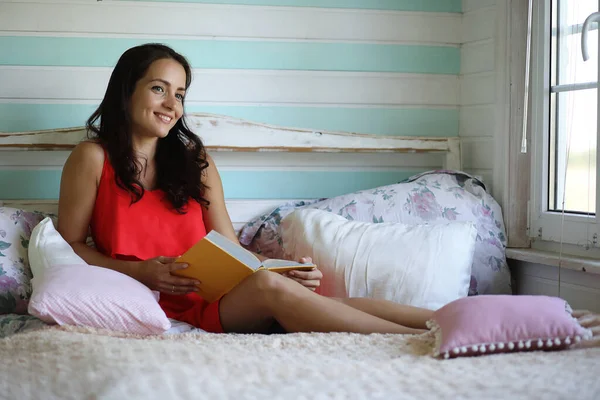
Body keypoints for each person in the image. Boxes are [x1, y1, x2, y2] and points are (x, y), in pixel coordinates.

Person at [57, 43, 433, 335]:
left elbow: (229, 248)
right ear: (127, 92)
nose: (172, 104)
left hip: (221, 297)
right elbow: (69, 246)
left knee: (303, 292)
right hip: (155, 304)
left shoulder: (194, 160)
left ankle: (450, 319)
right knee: (270, 289)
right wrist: (142, 273)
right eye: (159, 89)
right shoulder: (92, 158)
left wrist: (282, 270)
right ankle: (407, 338)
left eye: (181, 94)